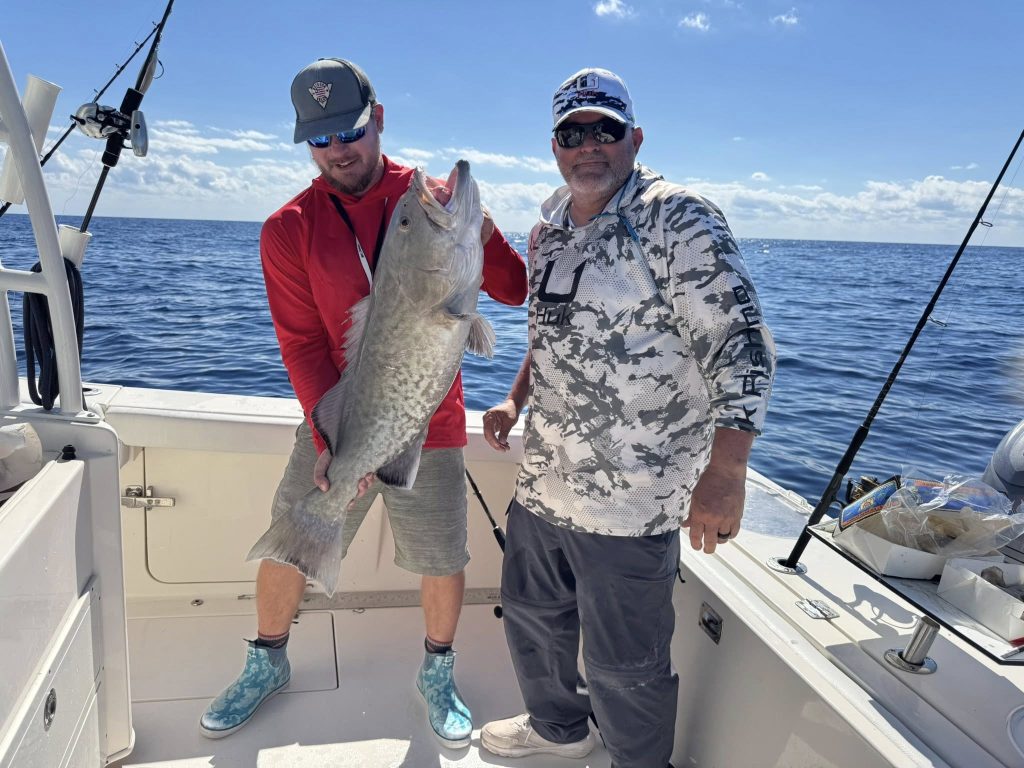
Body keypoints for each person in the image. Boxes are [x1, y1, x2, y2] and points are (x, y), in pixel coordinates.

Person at [199, 58, 527, 747]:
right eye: (319, 140)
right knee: (293, 539)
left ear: (377, 120)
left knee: (441, 556)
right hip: (340, 419)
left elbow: (513, 290)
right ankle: (267, 660)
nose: (337, 150)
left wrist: (482, 233)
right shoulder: (286, 228)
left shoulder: (427, 200)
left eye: (348, 131)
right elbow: (302, 344)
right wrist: (330, 444)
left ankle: (436, 673)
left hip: (432, 423)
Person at [478, 67, 775, 767]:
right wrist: (515, 398)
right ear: (555, 147)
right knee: (533, 619)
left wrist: (727, 471)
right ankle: (560, 730)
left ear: (634, 139)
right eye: (572, 132)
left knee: (626, 666)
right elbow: (551, 336)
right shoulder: (547, 231)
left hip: (632, 503)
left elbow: (742, 345)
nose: (589, 144)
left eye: (604, 129)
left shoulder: (678, 218)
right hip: (544, 484)